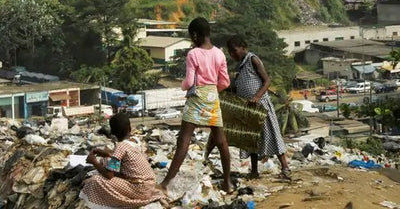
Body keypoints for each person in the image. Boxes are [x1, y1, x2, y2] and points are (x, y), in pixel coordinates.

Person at [158, 17, 232, 194]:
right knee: (221, 142)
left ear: (195, 35)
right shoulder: (219, 54)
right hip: (213, 97)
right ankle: (227, 182)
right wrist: (213, 90)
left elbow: (190, 81)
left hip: (197, 98)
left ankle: (166, 182)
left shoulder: (193, 54)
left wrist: (182, 86)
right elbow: (225, 81)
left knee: (183, 140)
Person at [206, 35, 291, 180]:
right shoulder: (240, 66)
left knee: (272, 135)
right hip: (247, 109)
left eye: (234, 51)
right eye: (230, 52)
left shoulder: (253, 59)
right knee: (251, 140)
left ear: (243, 47)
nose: (233, 55)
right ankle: (254, 171)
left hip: (261, 106)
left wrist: (257, 97)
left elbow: (267, 81)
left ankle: (285, 169)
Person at [79, 113, 166, 208]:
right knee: (106, 162)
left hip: (140, 190)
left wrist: (94, 162)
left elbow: (109, 175)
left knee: (96, 180)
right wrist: (108, 154)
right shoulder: (134, 144)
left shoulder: (120, 147)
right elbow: (125, 160)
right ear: (130, 129)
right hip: (150, 186)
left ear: (112, 132)